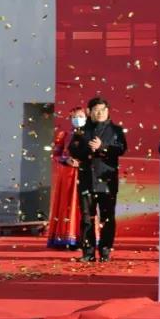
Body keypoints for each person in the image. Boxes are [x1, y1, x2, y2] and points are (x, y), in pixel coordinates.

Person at [69, 97, 127, 262]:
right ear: (89, 111)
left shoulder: (116, 130)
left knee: (107, 217)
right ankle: (88, 252)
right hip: (87, 178)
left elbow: (121, 149)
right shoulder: (81, 130)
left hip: (107, 180)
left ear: (107, 111)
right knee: (87, 217)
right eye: (96, 110)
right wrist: (88, 150)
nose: (100, 113)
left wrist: (102, 148)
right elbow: (73, 150)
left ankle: (105, 251)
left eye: (103, 110)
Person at [45, 107, 85, 250]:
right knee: (65, 203)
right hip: (67, 174)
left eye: (80, 116)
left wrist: (83, 162)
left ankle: (83, 239)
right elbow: (55, 155)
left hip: (84, 173)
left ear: (86, 118)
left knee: (83, 205)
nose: (77, 119)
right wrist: (66, 159)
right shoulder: (64, 135)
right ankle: (64, 238)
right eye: (74, 117)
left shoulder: (91, 134)